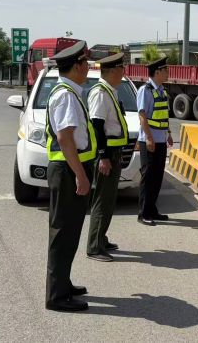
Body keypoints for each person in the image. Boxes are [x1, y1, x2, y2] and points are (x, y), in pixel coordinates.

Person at [44, 41, 96, 312]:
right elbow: (65, 139)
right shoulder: (66, 95)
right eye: (85, 63)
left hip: (69, 170)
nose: (88, 67)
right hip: (67, 171)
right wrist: (80, 175)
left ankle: (62, 283)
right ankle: (57, 296)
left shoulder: (69, 92)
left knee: (69, 233)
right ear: (76, 66)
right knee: (63, 234)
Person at [86, 52, 128, 262]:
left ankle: (101, 238)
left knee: (109, 200)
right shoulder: (100, 93)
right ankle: (94, 247)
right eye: (121, 69)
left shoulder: (110, 91)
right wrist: (103, 156)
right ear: (111, 71)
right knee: (102, 201)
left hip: (114, 152)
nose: (123, 72)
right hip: (107, 154)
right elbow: (97, 126)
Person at [136, 57, 173, 225]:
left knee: (158, 176)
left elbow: (163, 115)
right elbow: (142, 116)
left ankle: (152, 210)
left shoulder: (162, 90)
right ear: (157, 72)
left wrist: (169, 133)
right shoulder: (145, 90)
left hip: (161, 140)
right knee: (148, 177)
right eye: (165, 70)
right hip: (149, 141)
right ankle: (143, 213)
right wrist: (149, 138)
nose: (168, 73)